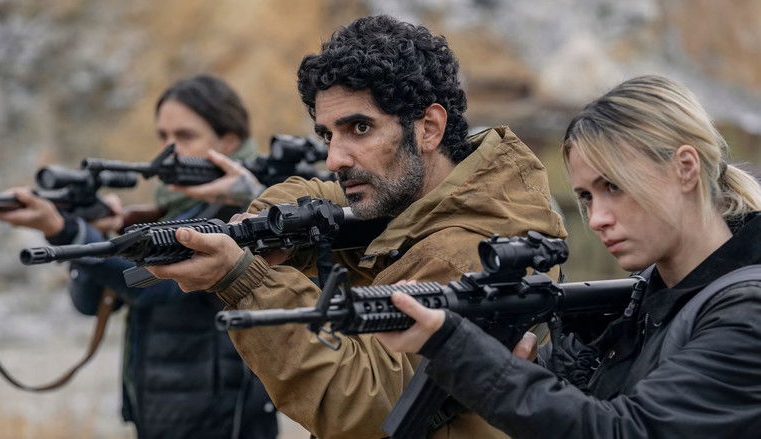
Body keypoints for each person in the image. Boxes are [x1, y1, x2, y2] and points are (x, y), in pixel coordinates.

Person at [147, 15, 566, 439]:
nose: (335, 158)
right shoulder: (420, 204)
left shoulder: (467, 250)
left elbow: (362, 403)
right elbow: (316, 194)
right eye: (328, 135)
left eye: (359, 128)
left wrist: (244, 280)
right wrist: (267, 225)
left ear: (429, 128)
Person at [374, 75, 761, 437]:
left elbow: (623, 430)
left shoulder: (746, 311)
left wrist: (459, 350)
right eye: (587, 197)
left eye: (614, 186)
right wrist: (523, 369)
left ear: (685, 169)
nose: (596, 219)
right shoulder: (645, 299)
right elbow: (583, 407)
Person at [0, 74, 277, 439]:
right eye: (163, 136)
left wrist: (66, 232)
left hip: (224, 420)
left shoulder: (249, 215)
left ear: (229, 141)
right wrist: (92, 231)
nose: (169, 150)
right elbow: (89, 303)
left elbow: (155, 285)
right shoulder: (172, 210)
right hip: (160, 413)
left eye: (185, 136)